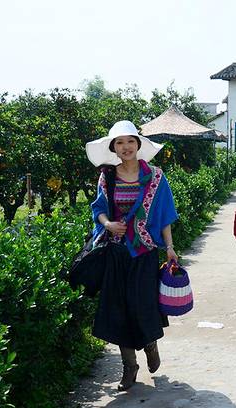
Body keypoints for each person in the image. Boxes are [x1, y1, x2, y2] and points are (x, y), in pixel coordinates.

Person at [86, 120, 179, 391]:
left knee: (143, 305)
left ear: (138, 145)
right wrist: (107, 224)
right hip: (116, 252)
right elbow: (98, 209)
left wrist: (169, 247)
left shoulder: (156, 177)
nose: (125, 147)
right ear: (113, 148)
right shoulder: (107, 177)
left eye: (130, 141)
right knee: (118, 310)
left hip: (144, 252)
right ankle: (129, 366)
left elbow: (164, 215)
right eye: (119, 142)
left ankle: (150, 344)